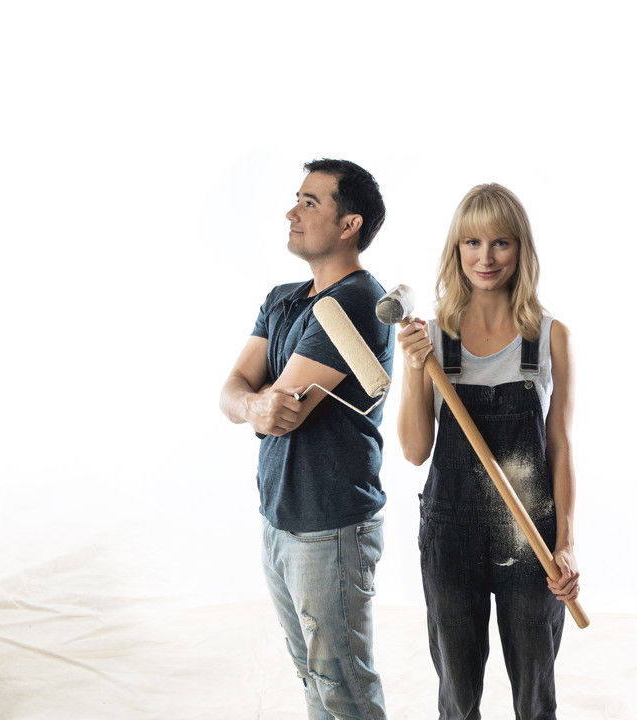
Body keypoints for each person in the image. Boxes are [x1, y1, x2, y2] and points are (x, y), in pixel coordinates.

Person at [395, 183, 580, 720]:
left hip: (530, 533)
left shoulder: (550, 336)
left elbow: (560, 445)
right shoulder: (432, 338)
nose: (486, 257)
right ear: (456, 249)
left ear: (521, 249)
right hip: (451, 532)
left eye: (501, 242)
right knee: (457, 695)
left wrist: (566, 544)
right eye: (472, 242)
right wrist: (413, 368)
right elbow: (414, 450)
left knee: (535, 694)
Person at [219, 158, 393, 720]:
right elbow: (233, 391)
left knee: (342, 686)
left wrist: (256, 404)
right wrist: (252, 402)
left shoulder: (357, 301)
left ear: (349, 225)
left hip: (330, 525)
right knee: (312, 676)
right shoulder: (283, 298)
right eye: (296, 199)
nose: (291, 212)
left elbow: (281, 413)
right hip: (279, 516)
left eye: (310, 202)